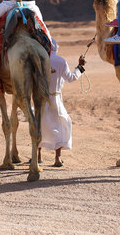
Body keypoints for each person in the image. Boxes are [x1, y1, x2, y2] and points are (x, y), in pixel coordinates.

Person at [38, 38, 85, 167]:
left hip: (40, 98)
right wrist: (80, 67)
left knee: (40, 124)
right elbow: (70, 78)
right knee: (60, 124)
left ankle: (38, 156)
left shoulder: (38, 60)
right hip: (56, 98)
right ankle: (57, 158)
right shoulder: (60, 61)